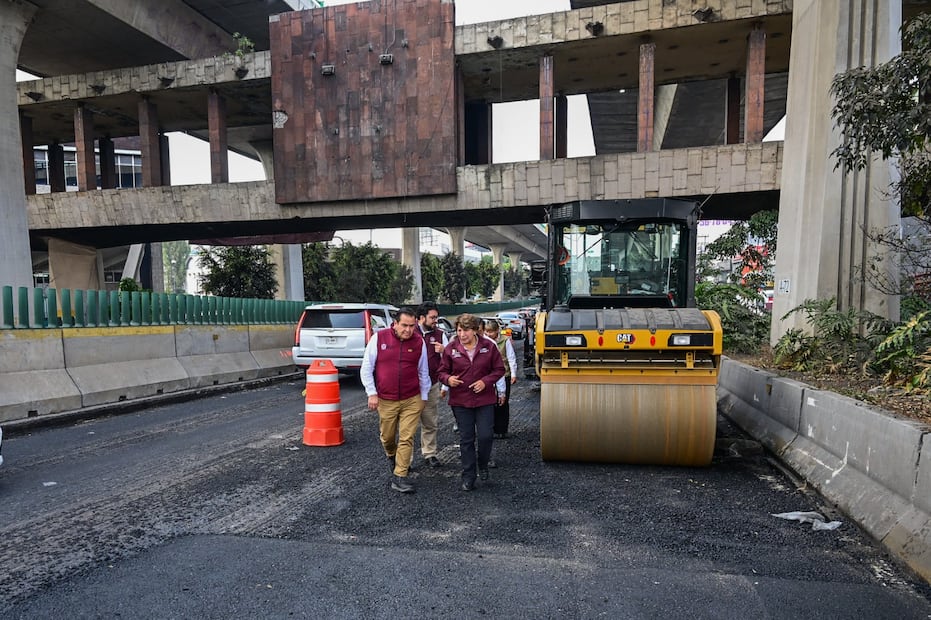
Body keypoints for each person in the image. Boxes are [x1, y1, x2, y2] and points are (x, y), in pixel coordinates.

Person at [360, 306, 431, 494]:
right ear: (395, 323)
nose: (408, 330)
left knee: (407, 437)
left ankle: (400, 476)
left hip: (412, 398)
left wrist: (423, 396)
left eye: (412, 326)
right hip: (386, 399)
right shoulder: (379, 338)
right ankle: (392, 455)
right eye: (404, 325)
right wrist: (372, 393)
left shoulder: (419, 342)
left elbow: (424, 371)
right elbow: (366, 368)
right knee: (388, 436)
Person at [437, 313, 505, 491]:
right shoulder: (451, 348)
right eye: (459, 330)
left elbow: (499, 369)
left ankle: (482, 463)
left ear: (475, 330)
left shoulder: (488, 346)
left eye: (466, 330)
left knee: (485, 436)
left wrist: (485, 382)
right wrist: (448, 379)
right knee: (466, 439)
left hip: (485, 400)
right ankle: (468, 476)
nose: (462, 334)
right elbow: (441, 372)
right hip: (460, 402)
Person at [416, 301, 448, 468]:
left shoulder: (440, 335)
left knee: (430, 421)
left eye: (436, 317)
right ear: (422, 318)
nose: (436, 320)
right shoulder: (409, 332)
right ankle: (402, 460)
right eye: (433, 317)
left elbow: (450, 361)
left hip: (432, 385)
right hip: (411, 388)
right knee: (407, 425)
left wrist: (444, 351)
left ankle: (429, 453)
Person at [483, 319, 517, 439]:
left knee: (503, 402)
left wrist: (513, 374)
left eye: (491, 331)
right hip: (490, 376)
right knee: (490, 403)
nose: (488, 334)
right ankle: (491, 429)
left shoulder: (505, 341)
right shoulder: (484, 341)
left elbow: (511, 358)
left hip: (504, 374)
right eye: (486, 331)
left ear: (497, 331)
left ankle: (502, 429)